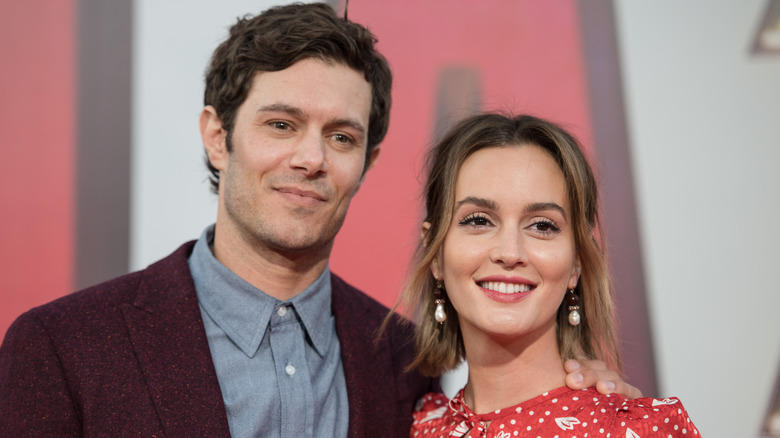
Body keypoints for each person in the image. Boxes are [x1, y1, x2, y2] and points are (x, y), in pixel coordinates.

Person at [0, 4, 636, 438]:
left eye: (340, 136)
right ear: (217, 138)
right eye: (281, 124)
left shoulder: (403, 361)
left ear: (367, 161)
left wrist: (595, 408)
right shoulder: (63, 348)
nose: (310, 158)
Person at [403, 113, 700, 437]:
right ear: (435, 253)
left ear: (576, 264)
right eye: (478, 220)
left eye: (542, 225)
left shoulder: (641, 430)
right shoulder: (413, 424)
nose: (510, 252)